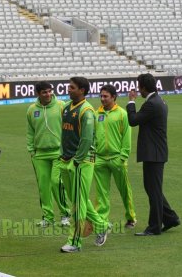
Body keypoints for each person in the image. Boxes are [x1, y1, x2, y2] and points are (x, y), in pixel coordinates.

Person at [126, 73, 180, 236]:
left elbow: (133, 120)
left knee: (153, 190)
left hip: (154, 153)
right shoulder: (159, 100)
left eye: (138, 86)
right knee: (153, 189)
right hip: (156, 151)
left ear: (142, 87)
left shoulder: (151, 104)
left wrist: (131, 101)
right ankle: (170, 218)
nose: (138, 90)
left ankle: (154, 227)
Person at [59, 77, 109, 253]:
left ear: (82, 90)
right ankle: (101, 225)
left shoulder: (87, 112)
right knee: (78, 199)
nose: (68, 89)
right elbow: (65, 135)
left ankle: (75, 242)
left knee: (78, 204)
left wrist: (77, 160)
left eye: (72, 87)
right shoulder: (66, 107)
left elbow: (87, 140)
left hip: (82, 161)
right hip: (67, 159)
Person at [27, 81, 70, 227]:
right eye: (44, 92)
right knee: (43, 186)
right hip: (39, 154)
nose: (48, 94)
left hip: (58, 152)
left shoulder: (61, 106)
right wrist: (31, 150)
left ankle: (65, 214)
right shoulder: (32, 110)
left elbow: (69, 126)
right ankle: (48, 217)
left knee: (56, 182)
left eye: (49, 91)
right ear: (38, 94)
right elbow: (30, 131)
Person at [94, 85, 137, 228]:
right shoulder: (96, 114)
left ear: (114, 97)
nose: (102, 99)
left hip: (116, 158)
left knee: (124, 190)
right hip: (99, 159)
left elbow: (126, 137)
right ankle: (102, 221)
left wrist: (123, 156)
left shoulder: (122, 114)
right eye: (101, 96)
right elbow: (93, 135)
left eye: (105, 96)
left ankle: (131, 217)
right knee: (101, 193)